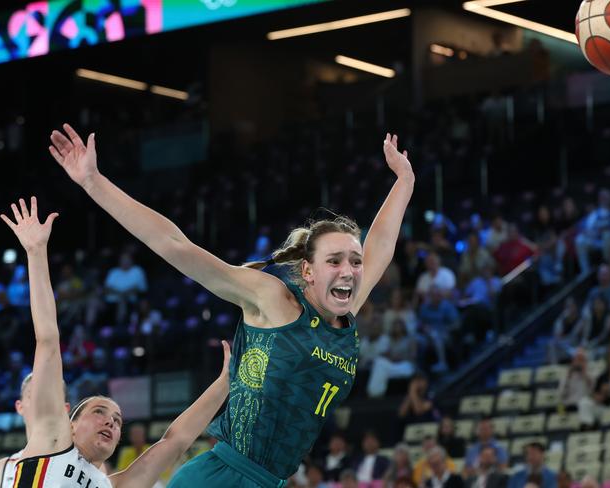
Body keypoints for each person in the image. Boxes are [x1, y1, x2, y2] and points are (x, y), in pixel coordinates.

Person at [49, 125, 415, 487]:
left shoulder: (343, 316)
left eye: (354, 260)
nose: (349, 271)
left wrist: (404, 180)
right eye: (334, 261)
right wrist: (93, 182)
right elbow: (175, 245)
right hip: (222, 476)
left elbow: (380, 247)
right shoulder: (275, 300)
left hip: (273, 482)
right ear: (308, 271)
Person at [0, 197, 231, 488]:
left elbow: (176, 441)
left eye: (118, 420)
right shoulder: (51, 439)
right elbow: (47, 339)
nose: (111, 422)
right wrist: (35, 251)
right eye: (100, 412)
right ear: (70, 424)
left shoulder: (114, 485)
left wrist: (226, 382)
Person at [0, 373, 70, 488]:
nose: (41, 403)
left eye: (50, 396)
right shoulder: (0, 471)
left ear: (65, 409)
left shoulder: (88, 466)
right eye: (34, 396)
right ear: (20, 407)